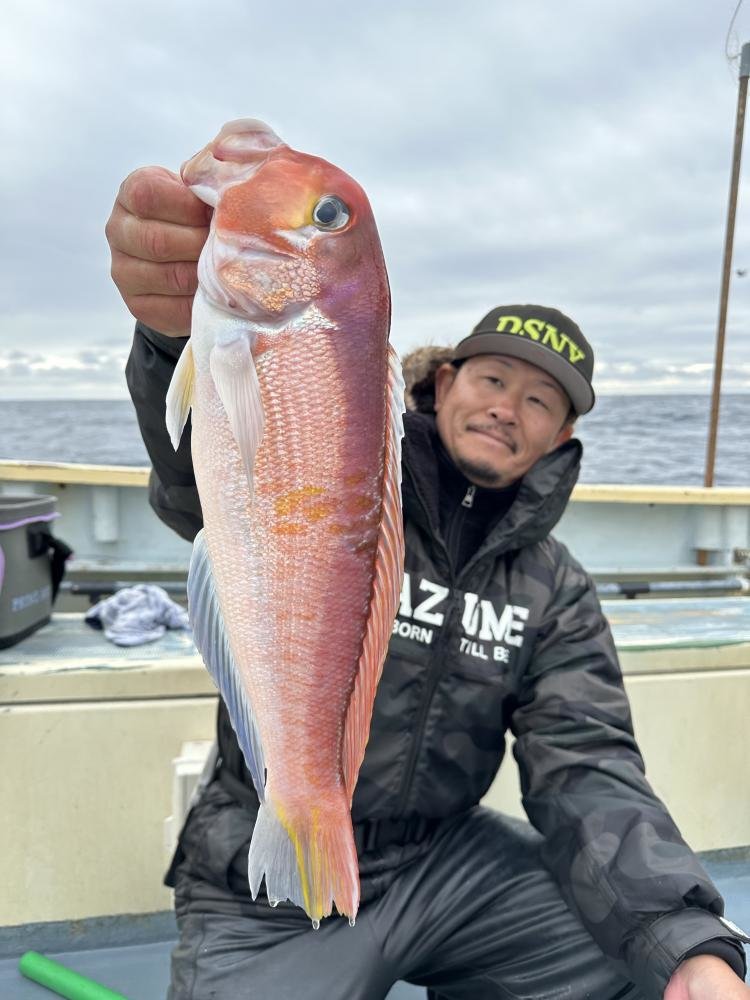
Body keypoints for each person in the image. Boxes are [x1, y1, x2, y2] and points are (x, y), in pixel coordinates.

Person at [107, 167, 750, 1000]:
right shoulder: (335, 455)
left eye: (540, 400)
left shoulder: (555, 590)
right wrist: (173, 336)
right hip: (265, 878)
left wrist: (683, 940)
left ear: (560, 438)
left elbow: (587, 764)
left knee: (638, 963)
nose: (507, 408)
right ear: (444, 383)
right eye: (493, 379)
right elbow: (194, 473)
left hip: (443, 862)